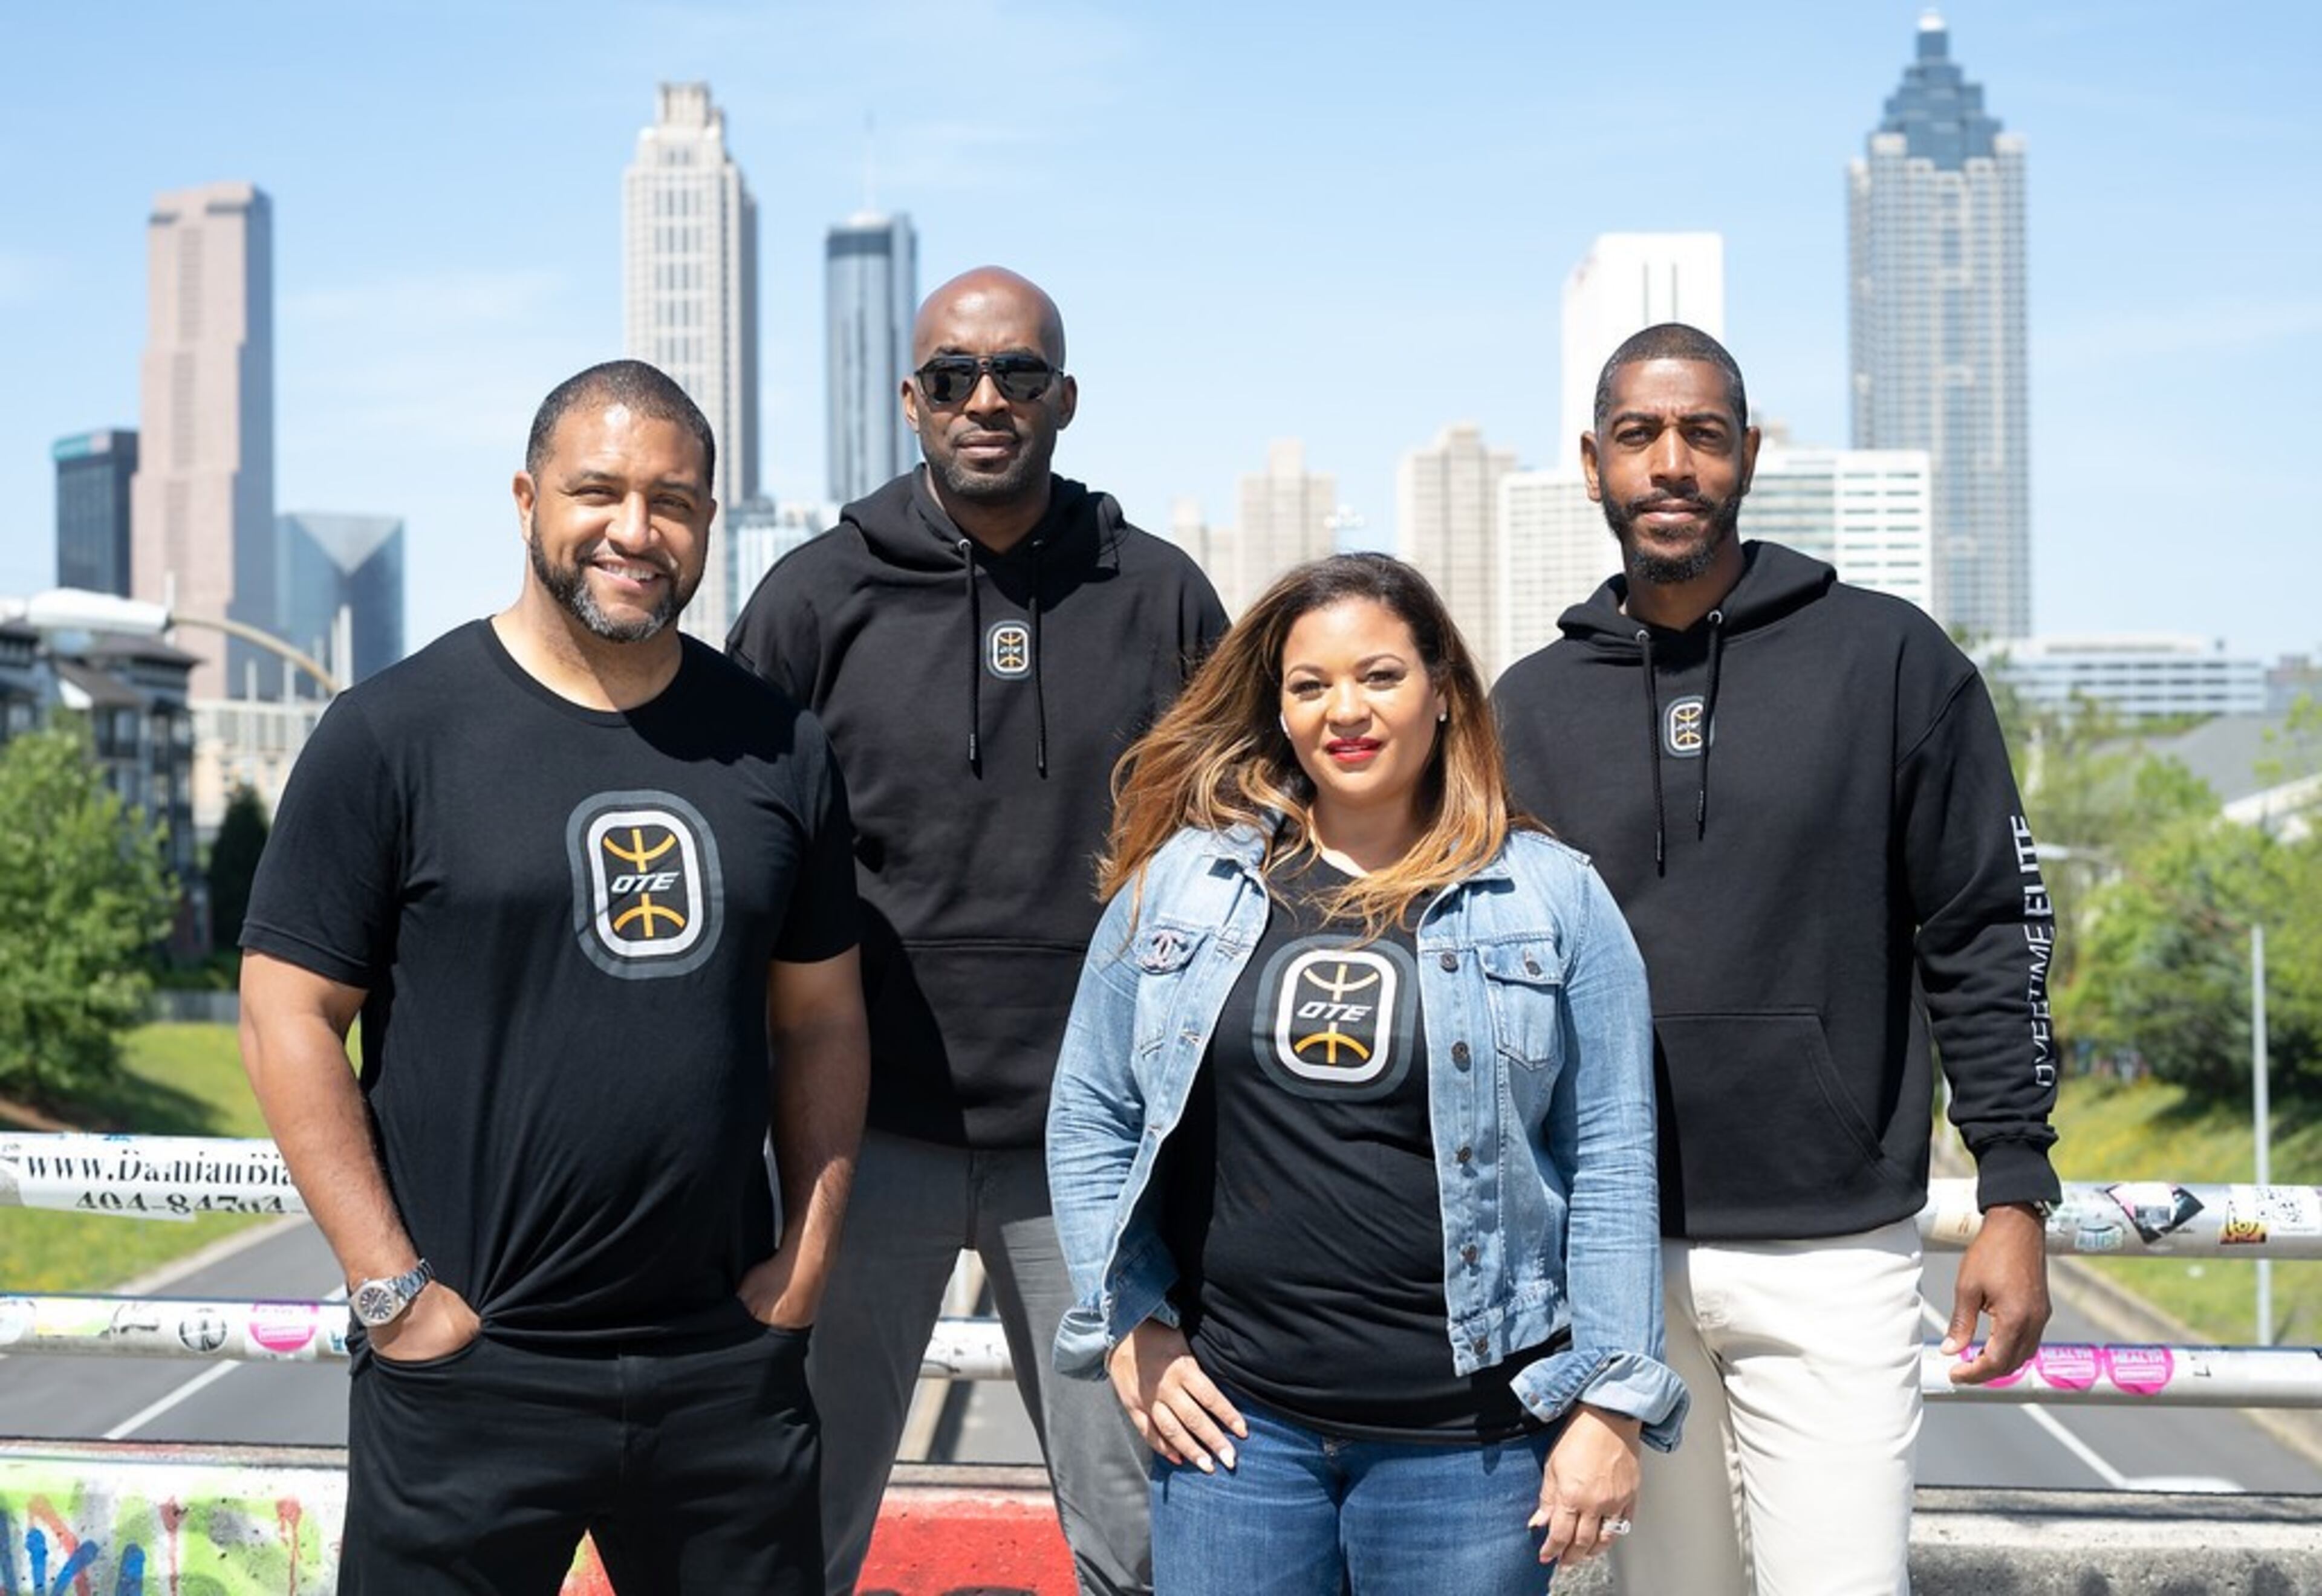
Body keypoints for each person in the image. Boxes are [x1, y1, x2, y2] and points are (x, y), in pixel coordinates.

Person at [238, 360, 869, 1595]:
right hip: (473, 1364)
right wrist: (393, 1296)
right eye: (600, 492)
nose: (637, 531)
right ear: (528, 498)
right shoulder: (393, 734)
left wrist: (807, 1258)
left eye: (674, 502)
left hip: (720, 1371)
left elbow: (825, 1017)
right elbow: (285, 1015)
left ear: (707, 524)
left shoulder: (777, 743)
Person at [1492, 323, 2060, 1595]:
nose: (1673, 464)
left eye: (1703, 434)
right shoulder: (1526, 703)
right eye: (1639, 436)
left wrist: (2014, 1190)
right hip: (1613, 1255)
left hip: (1833, 1244)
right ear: (1594, 464)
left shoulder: (1890, 660)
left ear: (1748, 454)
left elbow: (1985, 924)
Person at [1046, 554, 1687, 1594]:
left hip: (1469, 1453)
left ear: (1441, 689)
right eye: (1311, 686)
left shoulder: (1552, 898)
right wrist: (1130, 1328)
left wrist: (1610, 1406)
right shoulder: (1186, 884)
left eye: (1380, 676)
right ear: (1279, 708)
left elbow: (1612, 1160)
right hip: (1236, 1441)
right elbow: (1089, 1114)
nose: (1346, 710)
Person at [728, 265, 1227, 1595]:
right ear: (911, 399)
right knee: (799, 1514)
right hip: (857, 1132)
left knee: (1140, 1529)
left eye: (1018, 373)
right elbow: (734, 855)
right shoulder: (812, 597)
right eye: (953, 376)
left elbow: (1242, 845)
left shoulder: (1163, 594)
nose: (986, 399)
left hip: (1092, 1149)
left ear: (1067, 396)